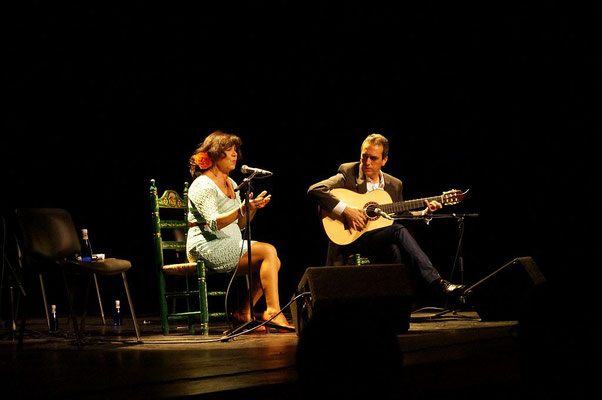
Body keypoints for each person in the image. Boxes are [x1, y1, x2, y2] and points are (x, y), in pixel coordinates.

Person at [307, 133, 465, 298]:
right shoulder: (348, 172)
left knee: (394, 248)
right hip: (350, 237)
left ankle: (395, 301)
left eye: (373, 158)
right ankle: (437, 281)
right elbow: (315, 190)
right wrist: (347, 210)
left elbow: (403, 215)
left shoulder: (394, 185)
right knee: (397, 231)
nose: (367, 162)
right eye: (364, 157)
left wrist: (426, 212)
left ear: (384, 160)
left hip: (376, 238)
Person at [186, 131, 293, 332]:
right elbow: (214, 223)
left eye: (236, 151)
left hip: (232, 243)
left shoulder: (232, 183)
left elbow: (241, 224)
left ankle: (243, 312)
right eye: (230, 151)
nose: (235, 155)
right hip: (206, 245)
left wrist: (251, 208)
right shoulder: (202, 185)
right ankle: (272, 311)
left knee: (273, 261)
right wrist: (241, 208)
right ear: (217, 155)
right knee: (268, 251)